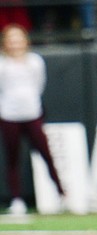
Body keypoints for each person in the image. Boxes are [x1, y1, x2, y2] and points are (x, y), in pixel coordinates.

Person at [0, 24, 64, 215]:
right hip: (9, 115)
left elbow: (39, 84)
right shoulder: (2, 64)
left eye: (18, 39)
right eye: (11, 39)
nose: (15, 43)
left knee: (46, 154)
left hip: (32, 113)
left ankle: (61, 194)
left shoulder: (35, 61)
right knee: (13, 158)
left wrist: (32, 104)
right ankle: (17, 199)